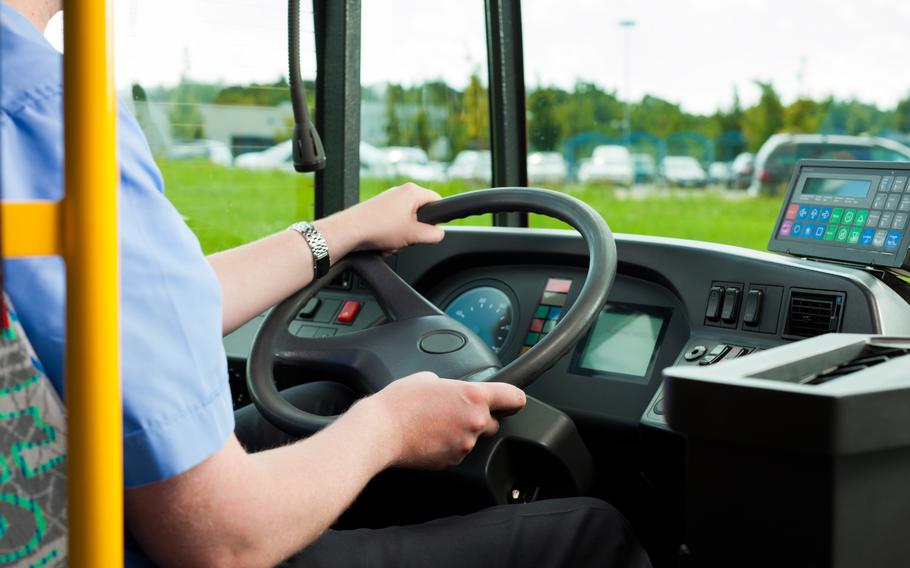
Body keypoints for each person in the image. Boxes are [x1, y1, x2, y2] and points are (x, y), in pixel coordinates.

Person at [0, 1, 652, 566]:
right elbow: (221, 543)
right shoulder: (49, 118)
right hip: (130, 544)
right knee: (589, 533)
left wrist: (341, 232)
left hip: (56, 497)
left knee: (318, 401)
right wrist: (389, 427)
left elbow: (142, 309)